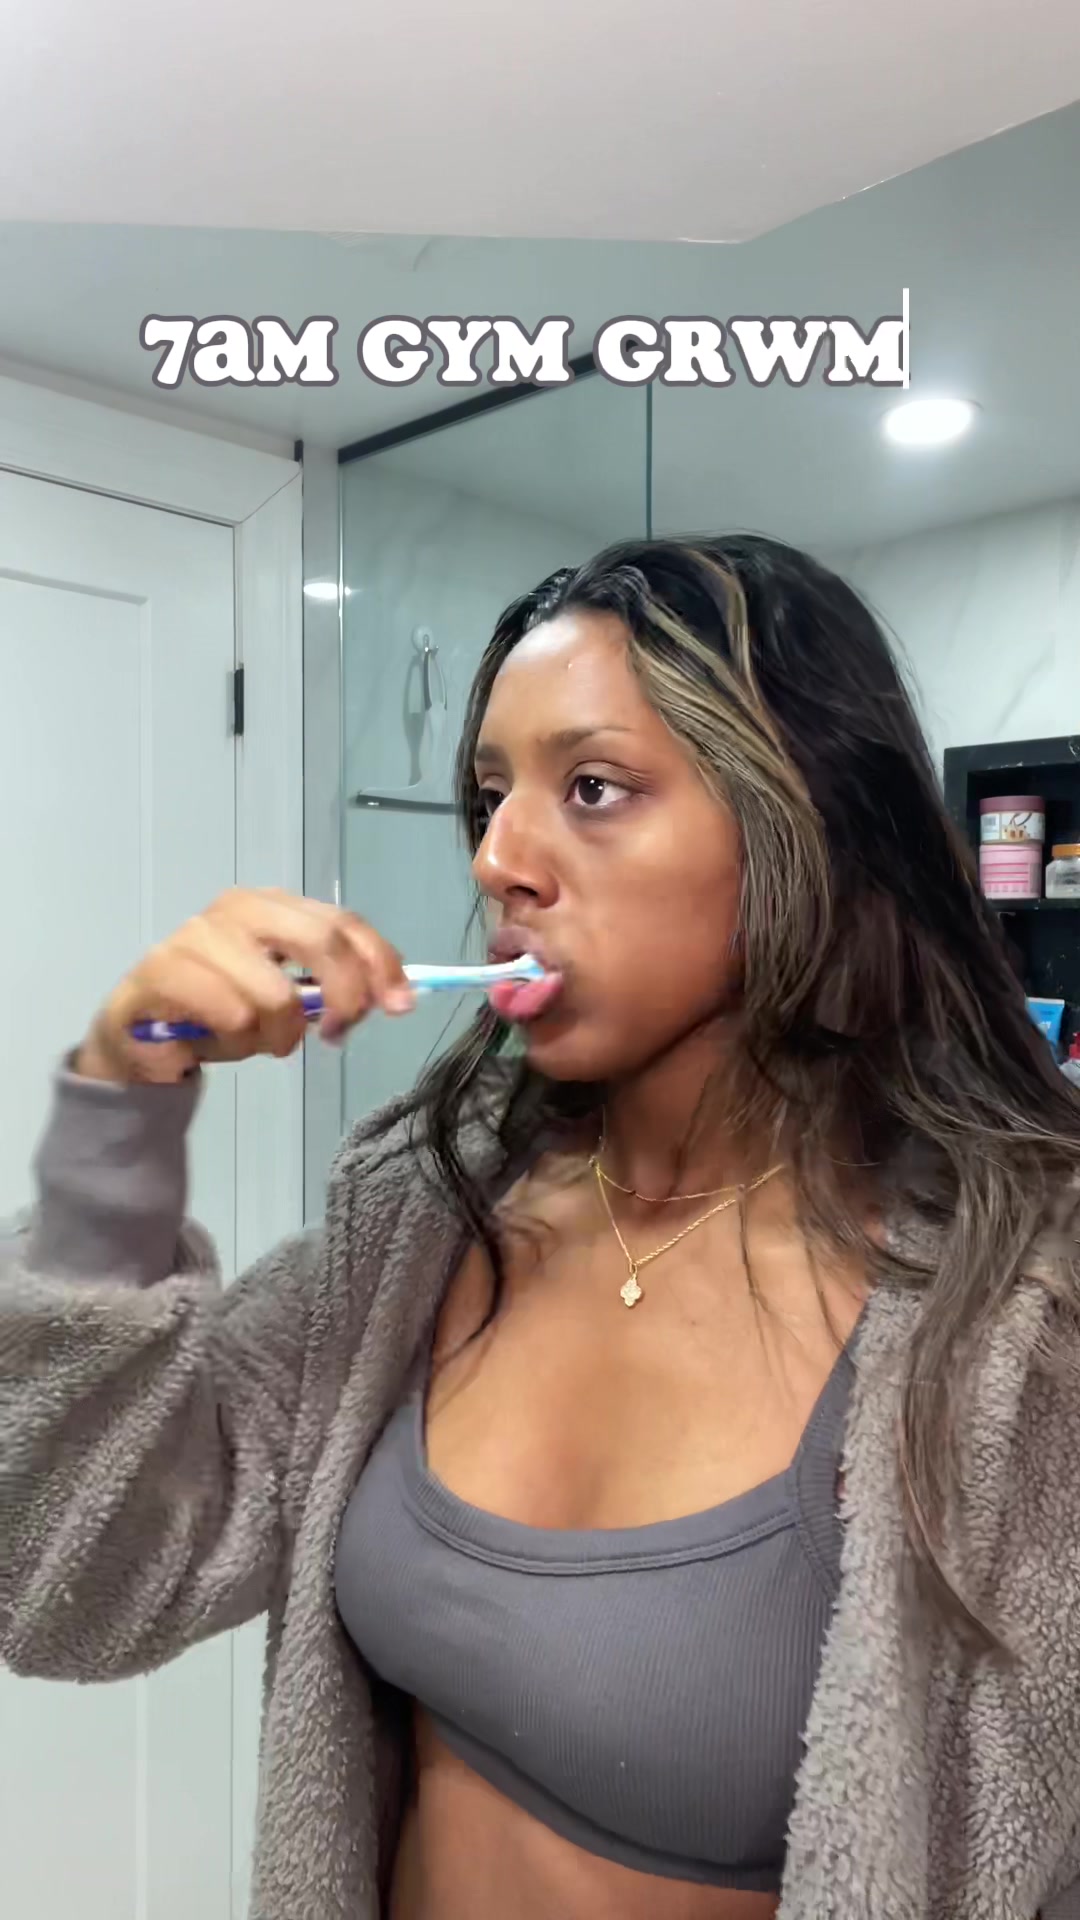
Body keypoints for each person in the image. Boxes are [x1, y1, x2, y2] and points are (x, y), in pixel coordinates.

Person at [3, 533, 1080, 1920]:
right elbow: (73, 1578)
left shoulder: (1017, 1330)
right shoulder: (421, 1218)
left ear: (806, 826)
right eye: (489, 795)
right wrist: (121, 1103)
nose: (499, 857)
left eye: (593, 788)